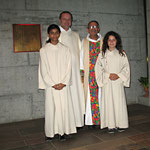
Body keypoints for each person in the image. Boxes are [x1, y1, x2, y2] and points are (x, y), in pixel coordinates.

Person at [38, 24, 76, 141]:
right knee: (51, 109)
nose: (54, 35)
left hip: (63, 85)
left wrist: (64, 82)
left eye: (56, 32)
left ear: (59, 34)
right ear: (48, 34)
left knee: (64, 108)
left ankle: (63, 131)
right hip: (51, 86)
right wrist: (52, 83)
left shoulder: (65, 49)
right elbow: (43, 69)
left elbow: (68, 67)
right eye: (52, 33)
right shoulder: (44, 50)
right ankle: (50, 133)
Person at [95, 31, 130, 134]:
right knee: (109, 103)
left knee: (119, 104)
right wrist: (108, 75)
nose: (111, 42)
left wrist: (118, 75)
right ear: (106, 41)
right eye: (109, 40)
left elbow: (126, 67)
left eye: (113, 40)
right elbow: (98, 68)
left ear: (117, 41)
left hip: (118, 82)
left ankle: (121, 124)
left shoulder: (121, 53)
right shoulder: (102, 54)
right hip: (107, 82)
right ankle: (111, 126)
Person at [58, 11, 85, 128]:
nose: (67, 21)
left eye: (69, 19)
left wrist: (81, 71)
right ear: (60, 20)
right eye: (64, 19)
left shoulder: (75, 35)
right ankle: (65, 124)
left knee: (75, 96)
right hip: (61, 74)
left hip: (74, 73)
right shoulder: (54, 34)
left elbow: (81, 53)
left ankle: (77, 123)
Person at [80, 20, 103, 126]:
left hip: (102, 74)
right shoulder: (84, 42)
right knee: (91, 98)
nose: (93, 28)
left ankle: (103, 119)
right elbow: (81, 58)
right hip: (89, 75)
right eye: (91, 27)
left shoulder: (103, 41)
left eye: (95, 26)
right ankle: (91, 122)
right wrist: (82, 73)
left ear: (98, 29)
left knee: (101, 96)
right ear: (88, 30)